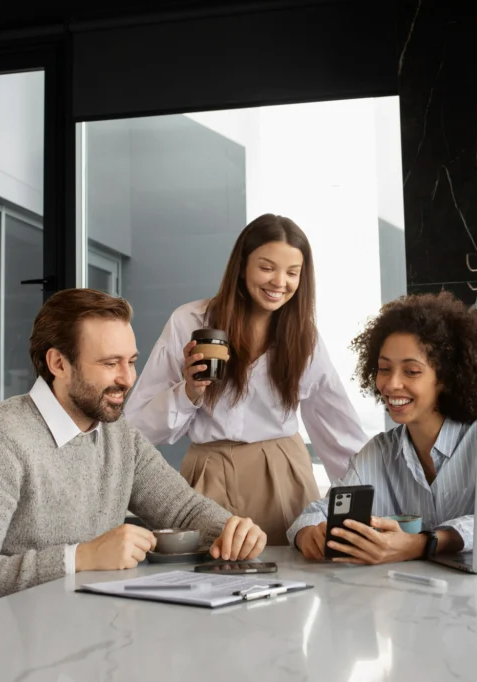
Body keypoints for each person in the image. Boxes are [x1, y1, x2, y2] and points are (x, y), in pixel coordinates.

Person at [0, 289, 266, 615]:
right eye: (110, 364)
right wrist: (80, 558)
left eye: (131, 362)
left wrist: (232, 532)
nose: (127, 379)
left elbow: (183, 511)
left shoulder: (118, 435)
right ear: (58, 363)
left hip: (86, 636)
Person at [124, 214, 369, 544]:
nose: (279, 282)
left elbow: (338, 430)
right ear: (242, 266)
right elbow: (137, 426)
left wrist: (368, 509)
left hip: (283, 473)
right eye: (267, 268)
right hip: (207, 474)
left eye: (292, 273)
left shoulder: (304, 338)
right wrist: (190, 391)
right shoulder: (190, 321)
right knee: (204, 580)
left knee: (289, 578)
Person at [287, 292, 477, 565]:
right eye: (384, 369)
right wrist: (308, 534)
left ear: (445, 378)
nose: (391, 384)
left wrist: (423, 543)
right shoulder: (379, 452)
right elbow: (313, 515)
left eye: (411, 371)